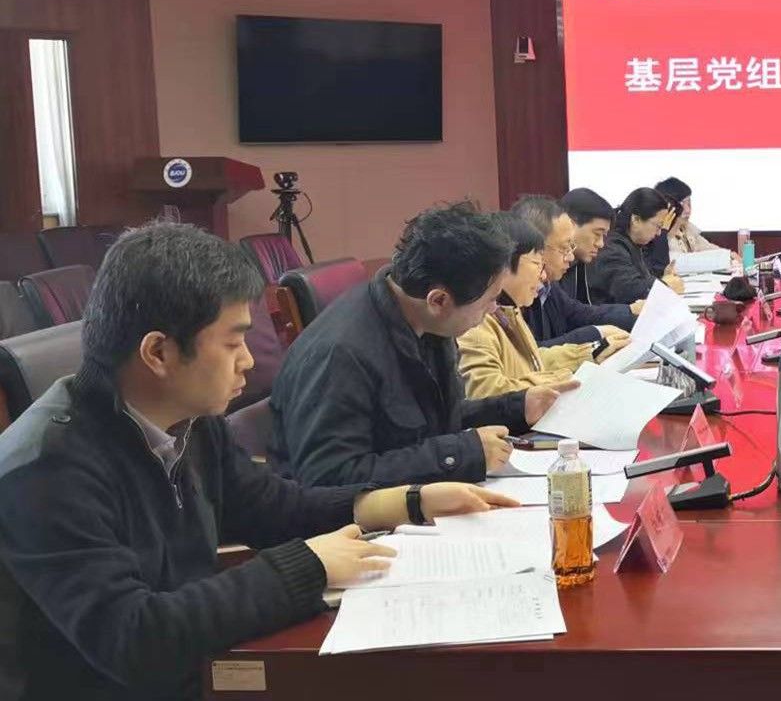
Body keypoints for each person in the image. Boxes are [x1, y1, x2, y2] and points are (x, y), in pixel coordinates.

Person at [0, 222, 519, 700]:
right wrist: (309, 566)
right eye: (233, 342)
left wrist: (405, 502)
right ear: (158, 353)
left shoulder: (189, 419)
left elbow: (272, 508)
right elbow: (134, 638)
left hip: (200, 668)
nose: (249, 360)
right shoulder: (46, 468)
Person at [270, 202, 574, 487]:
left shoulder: (426, 321)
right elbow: (329, 477)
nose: (494, 309)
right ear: (438, 300)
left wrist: (517, 407)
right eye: (489, 301)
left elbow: (436, 422)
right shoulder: (341, 354)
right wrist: (460, 454)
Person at [459, 214, 617, 400]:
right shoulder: (476, 322)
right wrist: (564, 379)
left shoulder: (510, 311)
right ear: (503, 266)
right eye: (536, 263)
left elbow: (531, 361)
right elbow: (485, 391)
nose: (542, 276)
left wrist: (591, 352)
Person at [511, 194, 636, 354]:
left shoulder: (548, 285)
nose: (570, 257)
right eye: (565, 248)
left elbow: (578, 313)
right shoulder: (505, 300)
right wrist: (596, 335)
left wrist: (632, 312)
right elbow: (525, 354)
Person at [589, 187, 684, 305]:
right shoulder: (612, 247)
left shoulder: (632, 243)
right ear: (636, 219)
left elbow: (642, 279)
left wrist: (664, 278)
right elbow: (630, 290)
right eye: (658, 226)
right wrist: (664, 284)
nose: (659, 233)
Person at [656, 177, 731, 260]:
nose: (688, 210)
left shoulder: (686, 228)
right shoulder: (658, 236)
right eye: (682, 204)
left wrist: (729, 255)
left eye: (689, 203)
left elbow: (708, 248)